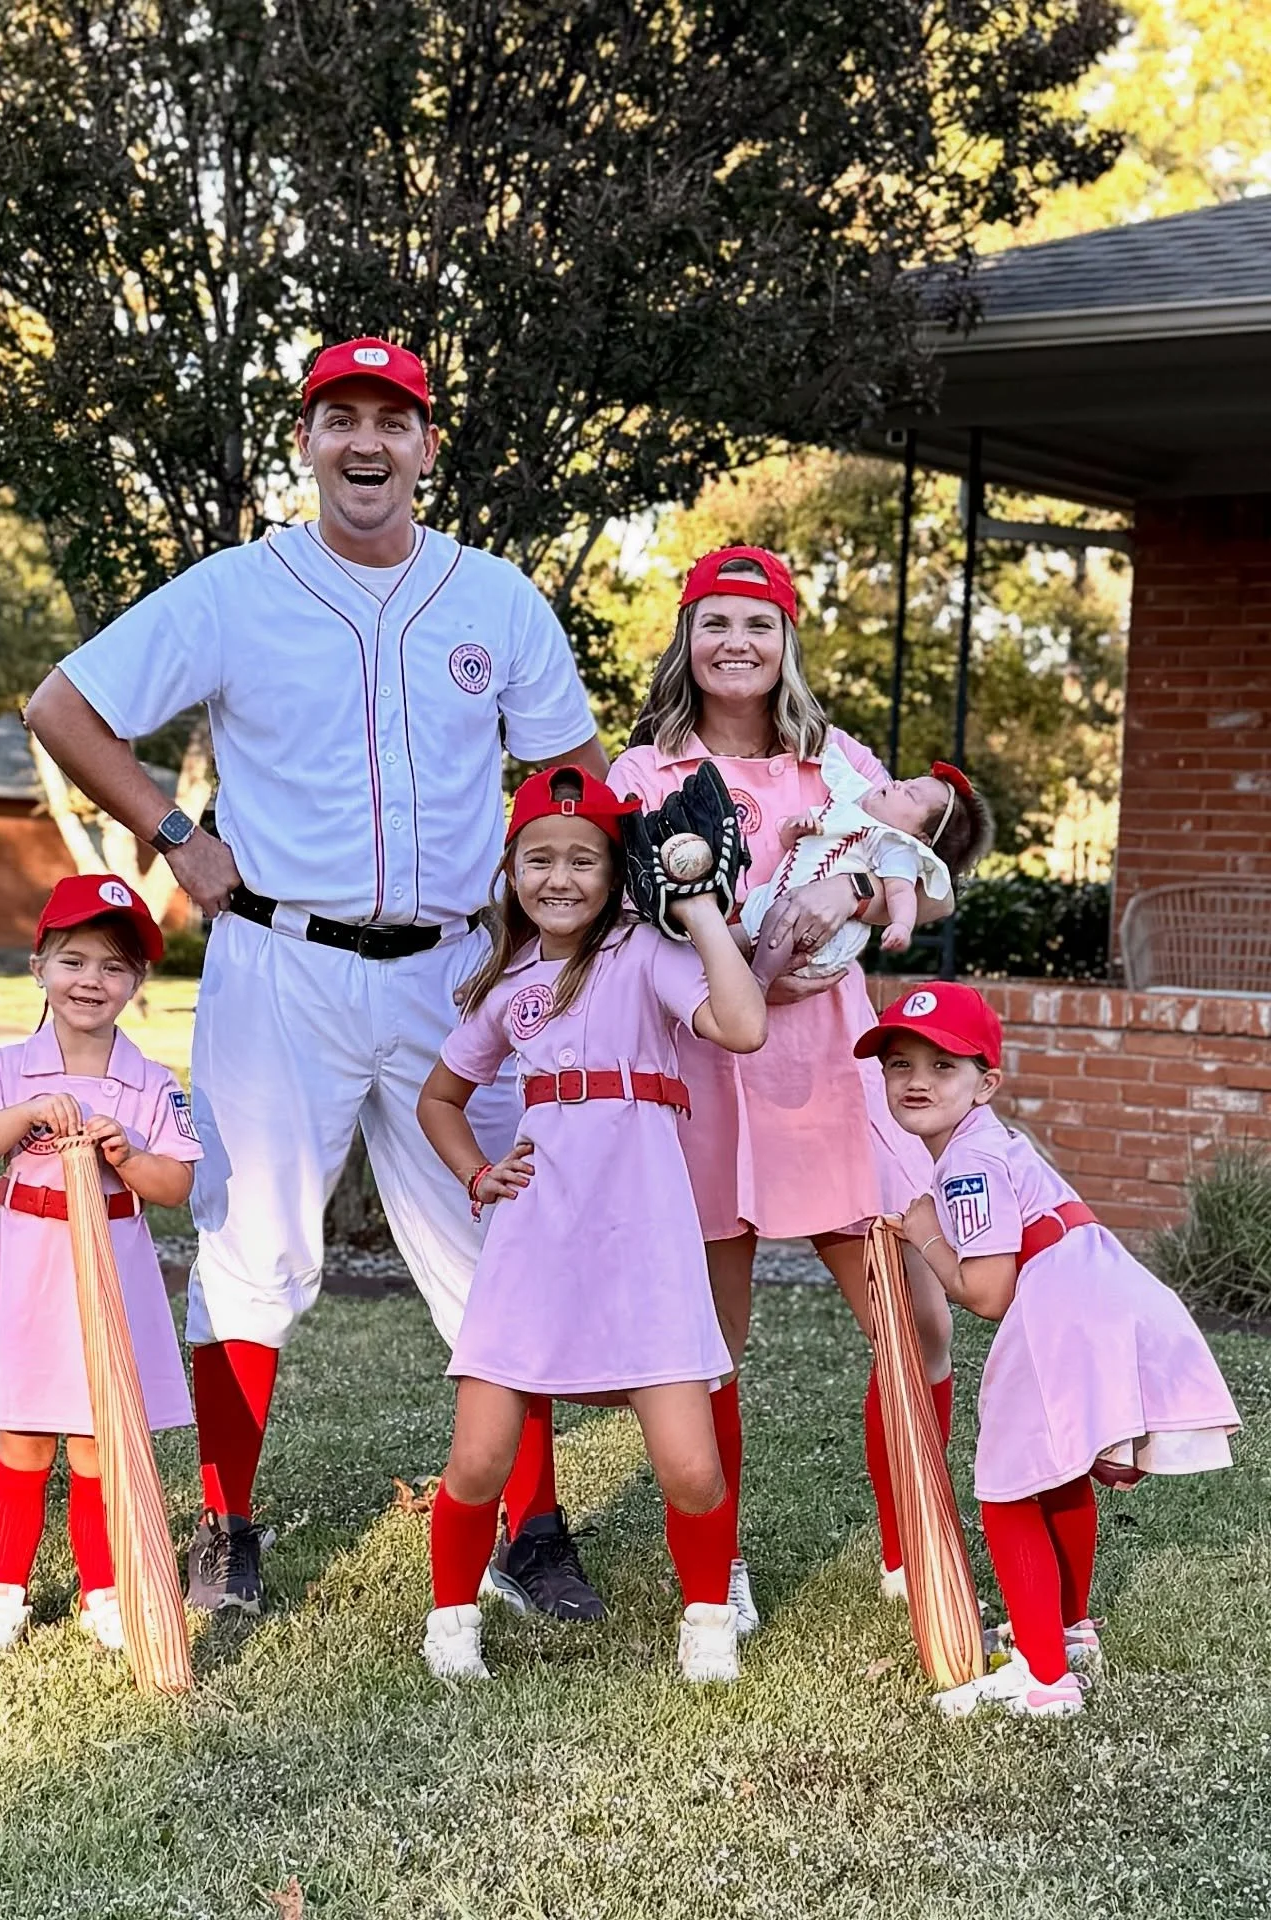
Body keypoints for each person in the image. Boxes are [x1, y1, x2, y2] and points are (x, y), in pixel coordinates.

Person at [24, 337, 610, 1619]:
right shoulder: (240, 587)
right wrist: (177, 837)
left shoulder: (494, 596)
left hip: (458, 968)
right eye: (339, 417)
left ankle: (532, 1523)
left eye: (390, 423)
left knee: (498, 1230)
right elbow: (62, 707)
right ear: (306, 439)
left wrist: (565, 899)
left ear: (424, 447)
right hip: (282, 958)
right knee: (251, 1243)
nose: (365, 443)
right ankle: (228, 1528)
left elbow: (572, 767)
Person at [608, 545, 958, 1630]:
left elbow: (928, 891)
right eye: (715, 623)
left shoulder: (834, 760)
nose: (737, 644)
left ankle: (917, 1554)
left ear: (786, 642)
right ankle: (721, 1575)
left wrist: (854, 879)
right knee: (712, 1340)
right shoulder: (644, 776)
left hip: (828, 1068)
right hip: (705, 1064)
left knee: (918, 1318)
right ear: (685, 639)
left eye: (758, 625)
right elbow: (622, 921)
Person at [415, 765, 766, 1682]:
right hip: (537, 1234)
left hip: (644, 1232)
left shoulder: (645, 954)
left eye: (583, 859)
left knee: (690, 1470)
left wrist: (694, 909)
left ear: (617, 874)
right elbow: (441, 1099)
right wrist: (476, 1172)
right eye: (538, 858)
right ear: (512, 871)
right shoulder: (505, 986)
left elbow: (743, 1025)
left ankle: (705, 1625)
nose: (558, 878)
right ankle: (450, 1622)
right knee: (479, 1458)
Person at [857, 983, 1240, 1718]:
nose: (916, 1081)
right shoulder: (993, 1140)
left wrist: (923, 1228)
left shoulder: (966, 1165)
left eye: (944, 1066)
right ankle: (1069, 1631)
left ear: (985, 1082)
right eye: (899, 1064)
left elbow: (990, 1292)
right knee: (1058, 1469)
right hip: (1098, 1290)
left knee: (1007, 1489)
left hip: (1057, 1306)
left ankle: (1043, 1677)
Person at [0, 876, 201, 1656]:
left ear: (137, 984)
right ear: (39, 967)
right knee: (23, 1438)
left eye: (114, 967)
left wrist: (130, 1154)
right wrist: (20, 1115)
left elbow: (177, 1186)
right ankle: (2, 1592)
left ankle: (104, 1591)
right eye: (74, 960)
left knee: (98, 1439)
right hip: (29, 1269)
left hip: (112, 1266)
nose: (92, 980)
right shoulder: (10, 1066)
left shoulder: (151, 1082)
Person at [740, 748, 994, 983]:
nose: (896, 784)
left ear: (921, 838)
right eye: (906, 782)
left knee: (781, 920)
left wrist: (901, 925)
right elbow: (791, 844)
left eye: (910, 794)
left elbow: (901, 891)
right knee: (730, 937)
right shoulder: (846, 811)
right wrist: (796, 829)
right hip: (767, 904)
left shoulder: (894, 845)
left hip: (816, 935)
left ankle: (758, 984)